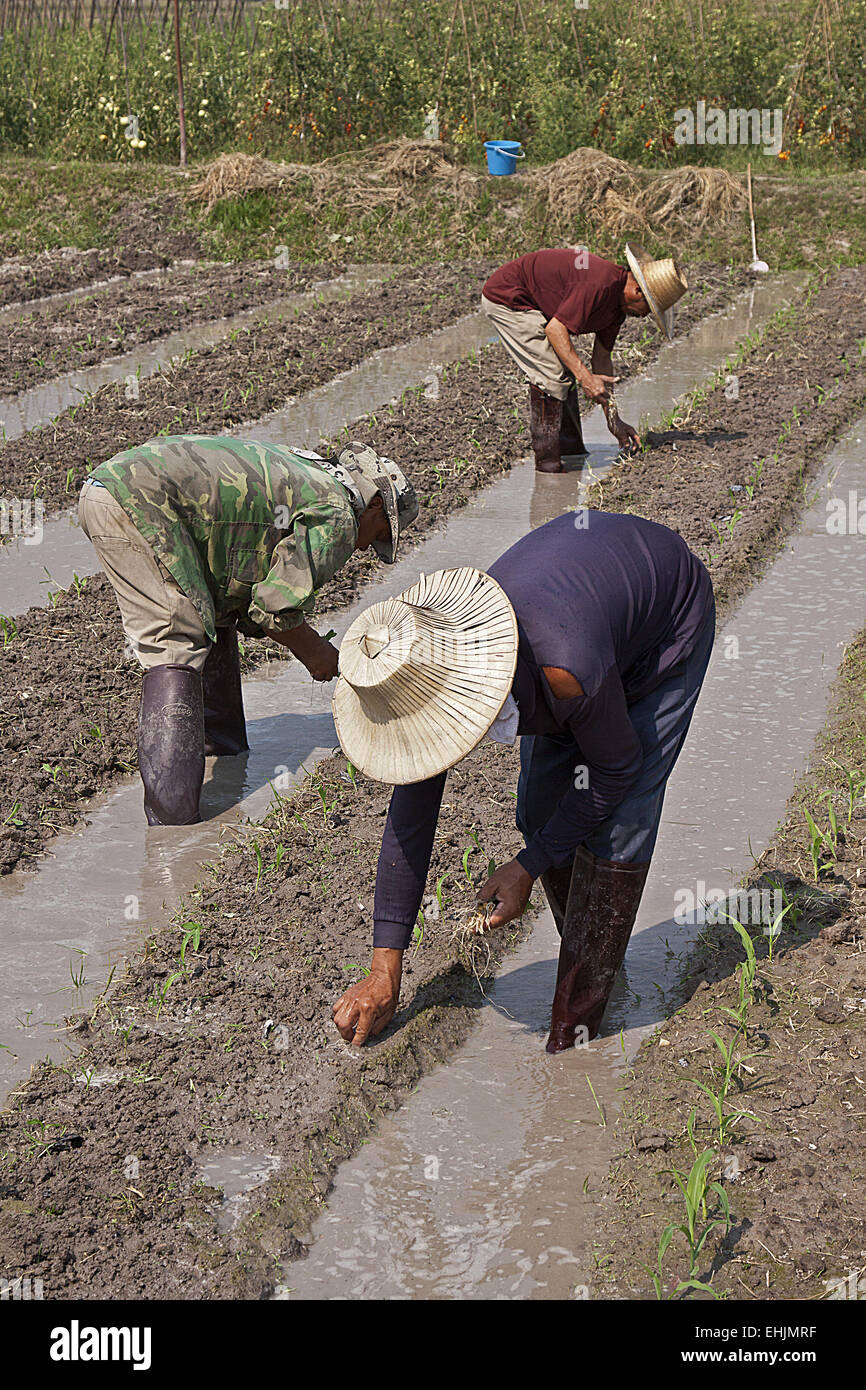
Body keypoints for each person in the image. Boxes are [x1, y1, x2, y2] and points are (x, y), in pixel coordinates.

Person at [331, 509, 714, 1052]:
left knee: (618, 828)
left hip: (664, 628)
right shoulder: (426, 671)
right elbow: (411, 818)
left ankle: (574, 1039)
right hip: (581, 625)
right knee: (540, 811)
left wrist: (528, 866)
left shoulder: (565, 669)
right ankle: (595, 954)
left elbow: (616, 768)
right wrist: (384, 970)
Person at [79, 436, 417, 826]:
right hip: (140, 502)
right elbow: (276, 605)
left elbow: (247, 585)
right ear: (374, 504)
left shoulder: (310, 471)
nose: (363, 548)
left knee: (213, 608)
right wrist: (318, 655)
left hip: (115, 487)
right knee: (175, 639)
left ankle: (220, 749)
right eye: (376, 535)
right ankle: (172, 827)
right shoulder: (339, 513)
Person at [481, 242, 688, 471]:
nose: (642, 316)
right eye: (647, 309)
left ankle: (571, 452)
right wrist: (585, 378)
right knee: (551, 376)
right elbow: (555, 329)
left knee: (565, 370)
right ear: (637, 291)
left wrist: (614, 420)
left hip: (536, 305)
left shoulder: (617, 310)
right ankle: (548, 466)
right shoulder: (599, 283)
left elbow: (601, 360)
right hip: (510, 299)